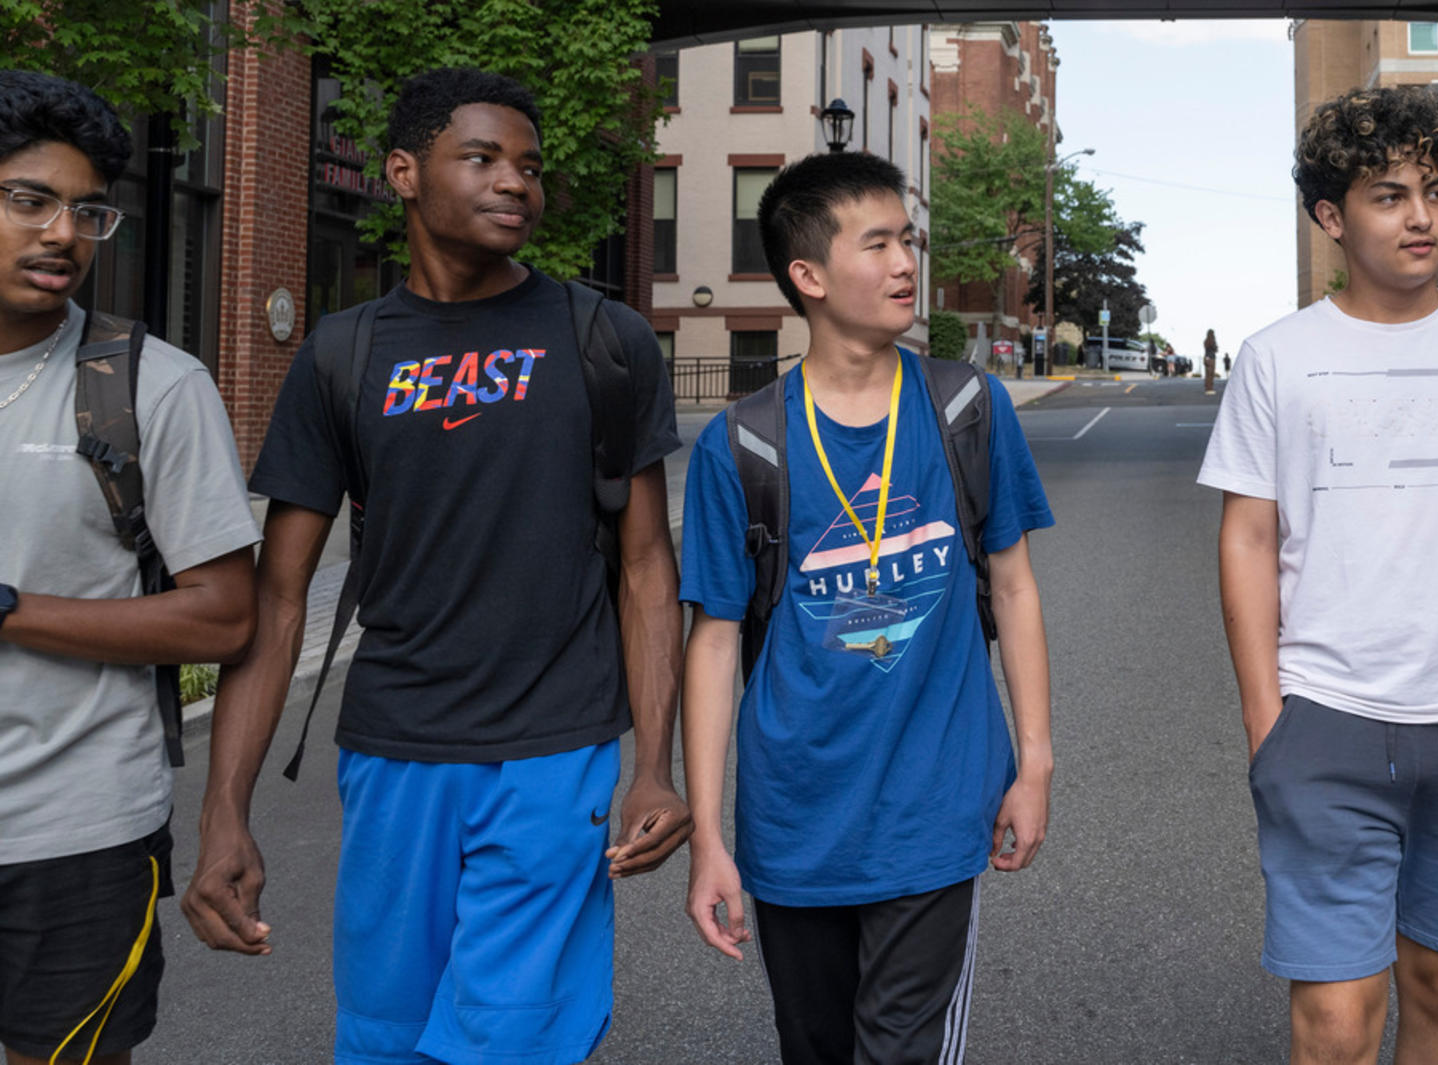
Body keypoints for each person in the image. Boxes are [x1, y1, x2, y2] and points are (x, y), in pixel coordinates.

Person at [184, 68, 689, 1065]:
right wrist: (224, 814)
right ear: (404, 172)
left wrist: (656, 766)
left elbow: (645, 570)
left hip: (556, 747)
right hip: (392, 750)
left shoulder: (604, 339)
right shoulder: (343, 354)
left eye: (531, 167)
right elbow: (279, 599)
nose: (517, 184)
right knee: (388, 1038)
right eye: (485, 157)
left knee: (509, 1038)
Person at [1203, 86, 1438, 1065]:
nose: (1421, 216)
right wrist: (1265, 714)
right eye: (1387, 194)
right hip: (1325, 714)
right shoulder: (1277, 358)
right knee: (1335, 1016)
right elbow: (1247, 536)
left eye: (1433, 193)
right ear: (1330, 217)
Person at [680, 152, 1056, 1065]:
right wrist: (707, 834)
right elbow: (715, 642)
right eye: (878, 242)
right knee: (814, 1048)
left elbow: (1012, 584)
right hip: (796, 816)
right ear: (808, 275)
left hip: (934, 809)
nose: (905, 264)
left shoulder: (966, 406)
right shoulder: (742, 445)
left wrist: (1036, 760)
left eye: (908, 240)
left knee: (900, 1051)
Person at [0, 72, 260, 1065]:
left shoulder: (156, 384)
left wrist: (12, 609)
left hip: (77, 832)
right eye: (30, 199)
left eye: (87, 210)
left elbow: (221, 618)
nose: (63, 232)